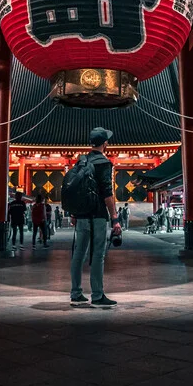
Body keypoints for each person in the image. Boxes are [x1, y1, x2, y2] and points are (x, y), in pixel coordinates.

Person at [69, 126, 122, 307]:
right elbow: (107, 193)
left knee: (78, 254)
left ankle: (76, 294)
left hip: (81, 215)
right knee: (98, 254)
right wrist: (114, 217)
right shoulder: (104, 163)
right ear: (105, 143)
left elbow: (74, 189)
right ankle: (98, 296)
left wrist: (74, 213)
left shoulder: (81, 161)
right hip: (98, 215)